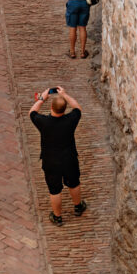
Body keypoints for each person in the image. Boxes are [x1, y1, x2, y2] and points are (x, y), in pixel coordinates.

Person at [29, 87, 87, 226]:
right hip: (69, 158)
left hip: (51, 161)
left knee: (54, 190)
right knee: (74, 182)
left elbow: (32, 112)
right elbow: (77, 107)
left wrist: (43, 97)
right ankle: (78, 206)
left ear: (51, 107)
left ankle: (57, 217)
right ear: (65, 109)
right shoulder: (71, 119)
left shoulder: (43, 122)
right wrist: (64, 95)